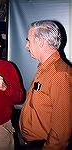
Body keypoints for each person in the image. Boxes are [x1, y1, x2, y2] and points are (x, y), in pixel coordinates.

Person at [19, 20, 72, 150]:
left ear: (41, 42)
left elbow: (61, 132)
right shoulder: (45, 69)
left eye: (29, 40)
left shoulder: (60, 74)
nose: (26, 46)